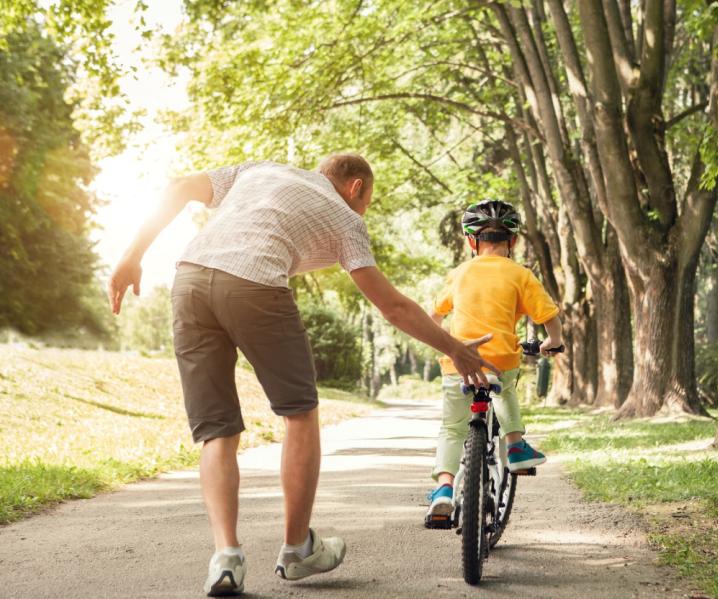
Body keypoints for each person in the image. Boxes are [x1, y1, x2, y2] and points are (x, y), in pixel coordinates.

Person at [107, 155, 498, 596]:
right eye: (366, 201)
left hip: (190, 281)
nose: (363, 212)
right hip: (255, 285)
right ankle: (296, 550)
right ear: (355, 188)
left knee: (216, 430)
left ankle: (226, 558)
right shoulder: (346, 217)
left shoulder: (258, 170)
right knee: (299, 414)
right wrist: (455, 350)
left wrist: (131, 256)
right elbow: (392, 306)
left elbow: (177, 185)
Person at [425, 199, 563, 523]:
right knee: (505, 391)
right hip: (500, 358)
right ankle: (515, 445)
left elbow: (433, 316)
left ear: (471, 241)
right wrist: (553, 341)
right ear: (512, 241)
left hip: (458, 361)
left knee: (451, 428)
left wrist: (443, 344)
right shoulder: (520, 274)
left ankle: (444, 488)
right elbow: (548, 315)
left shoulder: (459, 273)